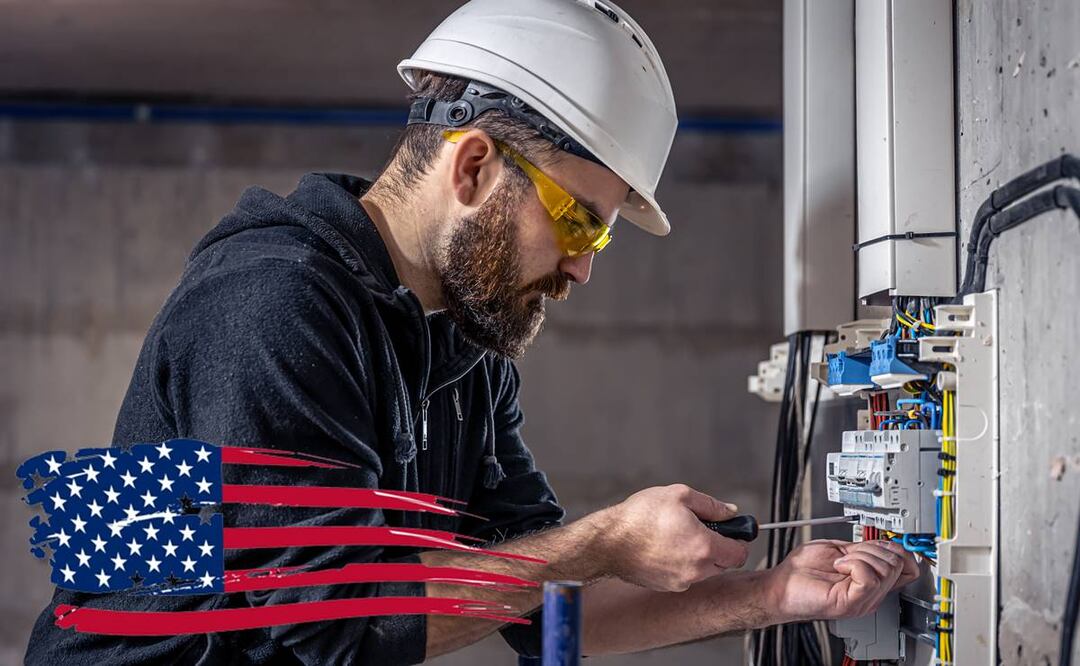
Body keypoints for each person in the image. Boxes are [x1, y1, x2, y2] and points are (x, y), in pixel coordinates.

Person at [26, 0, 917, 663]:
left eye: (600, 234)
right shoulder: (270, 304)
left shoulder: (462, 346)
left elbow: (544, 609)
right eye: (579, 222)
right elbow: (336, 628)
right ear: (476, 164)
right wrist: (604, 539)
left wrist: (769, 595)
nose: (583, 267)